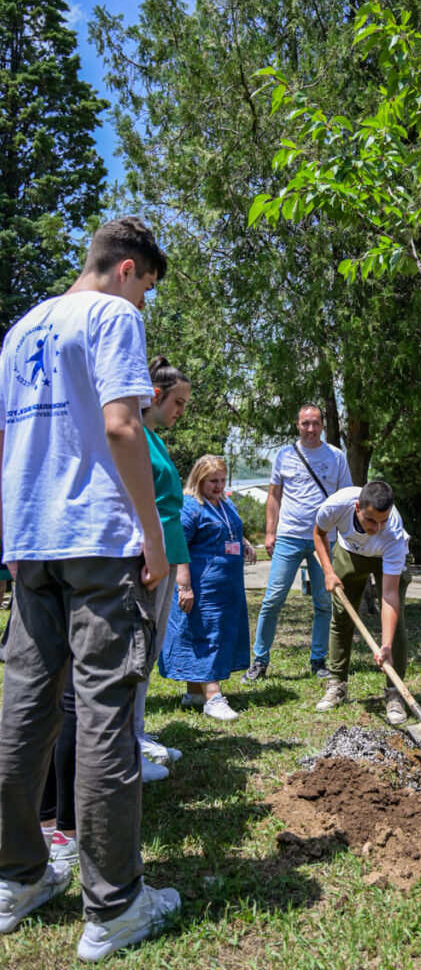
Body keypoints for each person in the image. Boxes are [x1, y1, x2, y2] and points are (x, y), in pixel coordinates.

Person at [0, 217, 180, 960]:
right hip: (99, 541)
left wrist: (12, 537)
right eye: (148, 289)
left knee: (24, 709)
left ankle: (16, 877)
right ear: (128, 269)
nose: (145, 304)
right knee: (106, 713)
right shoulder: (112, 316)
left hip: (31, 540)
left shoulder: (20, 331)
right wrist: (154, 538)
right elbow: (121, 428)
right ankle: (115, 906)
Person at [241, 403, 352, 684]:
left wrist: (344, 536)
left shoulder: (336, 456)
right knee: (272, 600)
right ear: (297, 425)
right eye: (305, 423)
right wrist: (270, 532)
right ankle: (259, 661)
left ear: (322, 425)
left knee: (324, 603)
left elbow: (346, 498)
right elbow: (274, 496)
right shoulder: (284, 455)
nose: (311, 429)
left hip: (324, 539)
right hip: (289, 536)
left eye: (315, 423)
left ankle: (319, 660)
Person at [159, 455, 256, 719]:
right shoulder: (190, 506)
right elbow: (178, 546)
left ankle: (194, 692)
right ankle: (213, 697)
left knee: (216, 634)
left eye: (223, 480)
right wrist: (184, 587)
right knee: (205, 636)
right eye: (213, 481)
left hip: (227, 588)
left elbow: (229, 529)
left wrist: (244, 542)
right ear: (199, 479)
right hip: (202, 587)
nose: (219, 485)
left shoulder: (225, 503)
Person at [135, 355, 192, 780]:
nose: (181, 412)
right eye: (178, 402)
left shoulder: (155, 438)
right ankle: (126, 744)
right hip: (149, 559)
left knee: (149, 650)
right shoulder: (135, 434)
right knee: (137, 650)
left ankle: (135, 732)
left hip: (168, 555)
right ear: (155, 394)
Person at [313, 480, 411, 725]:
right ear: (357, 507)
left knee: (395, 625)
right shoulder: (336, 506)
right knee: (341, 618)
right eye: (370, 520)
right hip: (350, 552)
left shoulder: (393, 532)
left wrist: (385, 646)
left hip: (385, 556)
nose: (377, 527)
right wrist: (328, 572)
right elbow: (319, 533)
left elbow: (389, 595)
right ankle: (337, 683)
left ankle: (394, 692)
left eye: (382, 521)